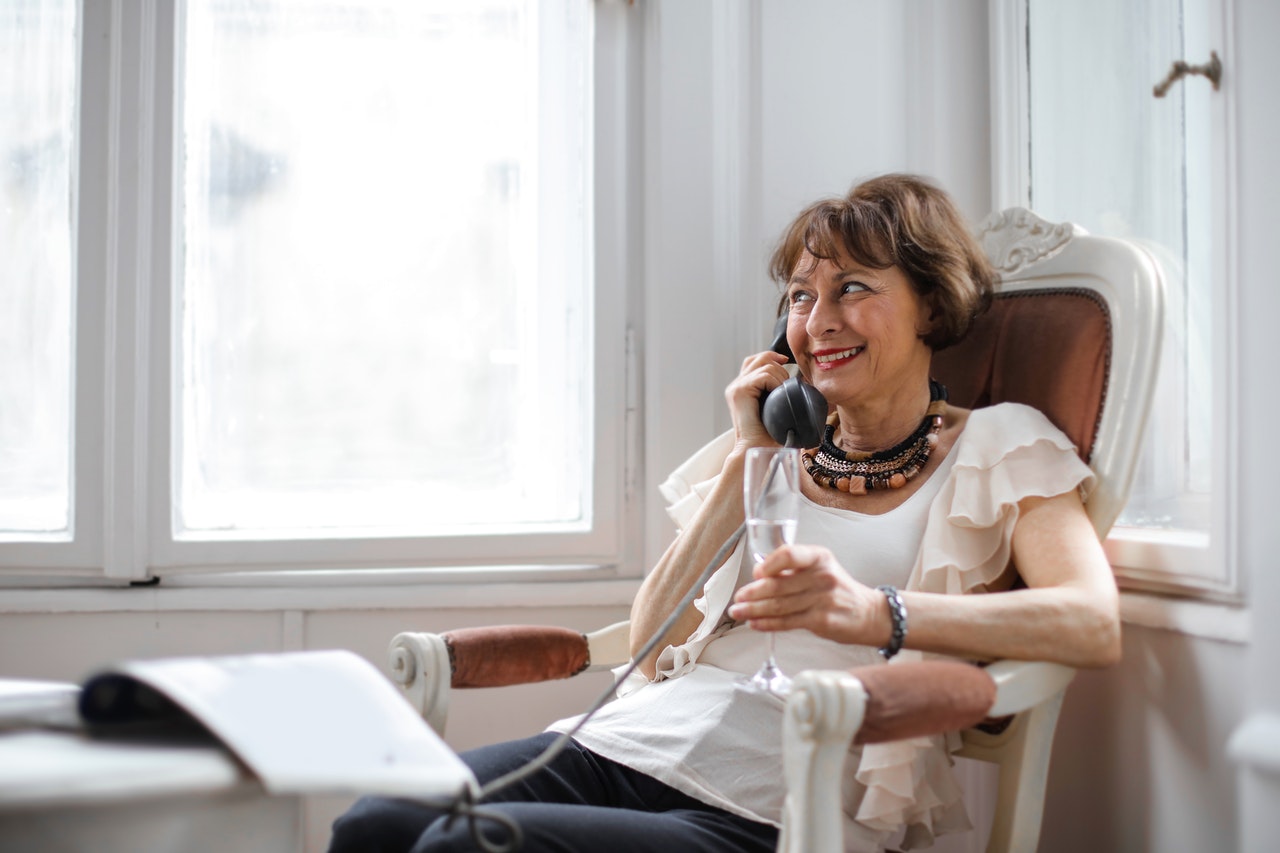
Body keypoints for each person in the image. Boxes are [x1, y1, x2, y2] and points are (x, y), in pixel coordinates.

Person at [329, 173, 1120, 853]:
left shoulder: (1000, 444)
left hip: (776, 798)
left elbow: (1091, 620)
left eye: (853, 289)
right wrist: (752, 455)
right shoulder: (777, 443)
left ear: (930, 306)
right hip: (634, 742)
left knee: (465, 844)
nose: (819, 322)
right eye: (801, 299)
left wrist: (872, 610)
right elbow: (648, 641)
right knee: (377, 823)